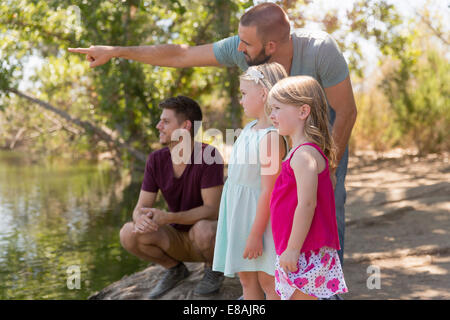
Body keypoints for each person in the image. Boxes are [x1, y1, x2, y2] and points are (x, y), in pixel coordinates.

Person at [69, 1, 357, 268]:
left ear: (270, 45)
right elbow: (181, 54)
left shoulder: (320, 51)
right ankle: (279, 278)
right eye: (239, 40)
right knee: (278, 199)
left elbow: (345, 112)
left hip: (319, 128)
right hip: (274, 125)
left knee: (326, 199)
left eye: (246, 44)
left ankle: (326, 287)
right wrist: (117, 51)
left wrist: (329, 167)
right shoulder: (242, 48)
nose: (239, 49)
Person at [119, 96, 225, 299]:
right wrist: (140, 219)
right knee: (128, 232)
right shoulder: (156, 160)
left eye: (165, 121)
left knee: (204, 229)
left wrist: (168, 218)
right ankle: (175, 269)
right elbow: (140, 207)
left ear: (185, 126)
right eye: (161, 121)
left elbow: (213, 210)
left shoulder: (209, 155)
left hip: (205, 239)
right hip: (175, 240)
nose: (158, 126)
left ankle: (214, 269)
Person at [267, 75, 348, 300]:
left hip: (305, 249)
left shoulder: (304, 155)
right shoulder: (298, 152)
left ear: (303, 111)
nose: (271, 115)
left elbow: (308, 204)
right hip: (297, 247)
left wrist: (293, 249)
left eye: (276, 108)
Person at [213, 63, 288, 300]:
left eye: (244, 94)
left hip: (259, 220)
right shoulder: (248, 129)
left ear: (263, 94)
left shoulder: (271, 138)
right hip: (239, 214)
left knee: (268, 279)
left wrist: (256, 234)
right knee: (246, 278)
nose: (241, 99)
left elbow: (268, 190)